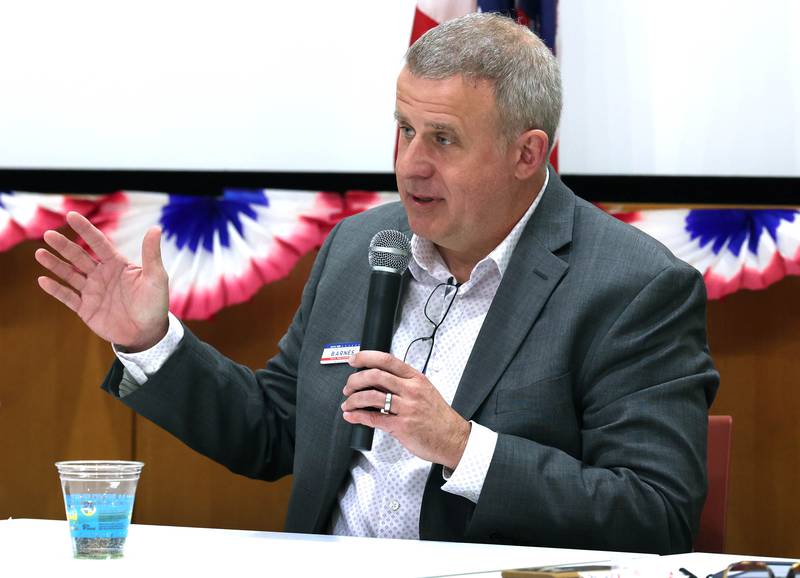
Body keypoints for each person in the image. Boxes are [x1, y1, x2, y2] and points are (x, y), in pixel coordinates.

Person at [35, 13, 719, 554]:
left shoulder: (631, 287)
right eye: (404, 129)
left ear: (526, 154)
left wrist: (459, 444)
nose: (410, 166)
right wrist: (150, 340)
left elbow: (654, 515)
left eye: (443, 140)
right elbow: (276, 431)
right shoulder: (362, 246)